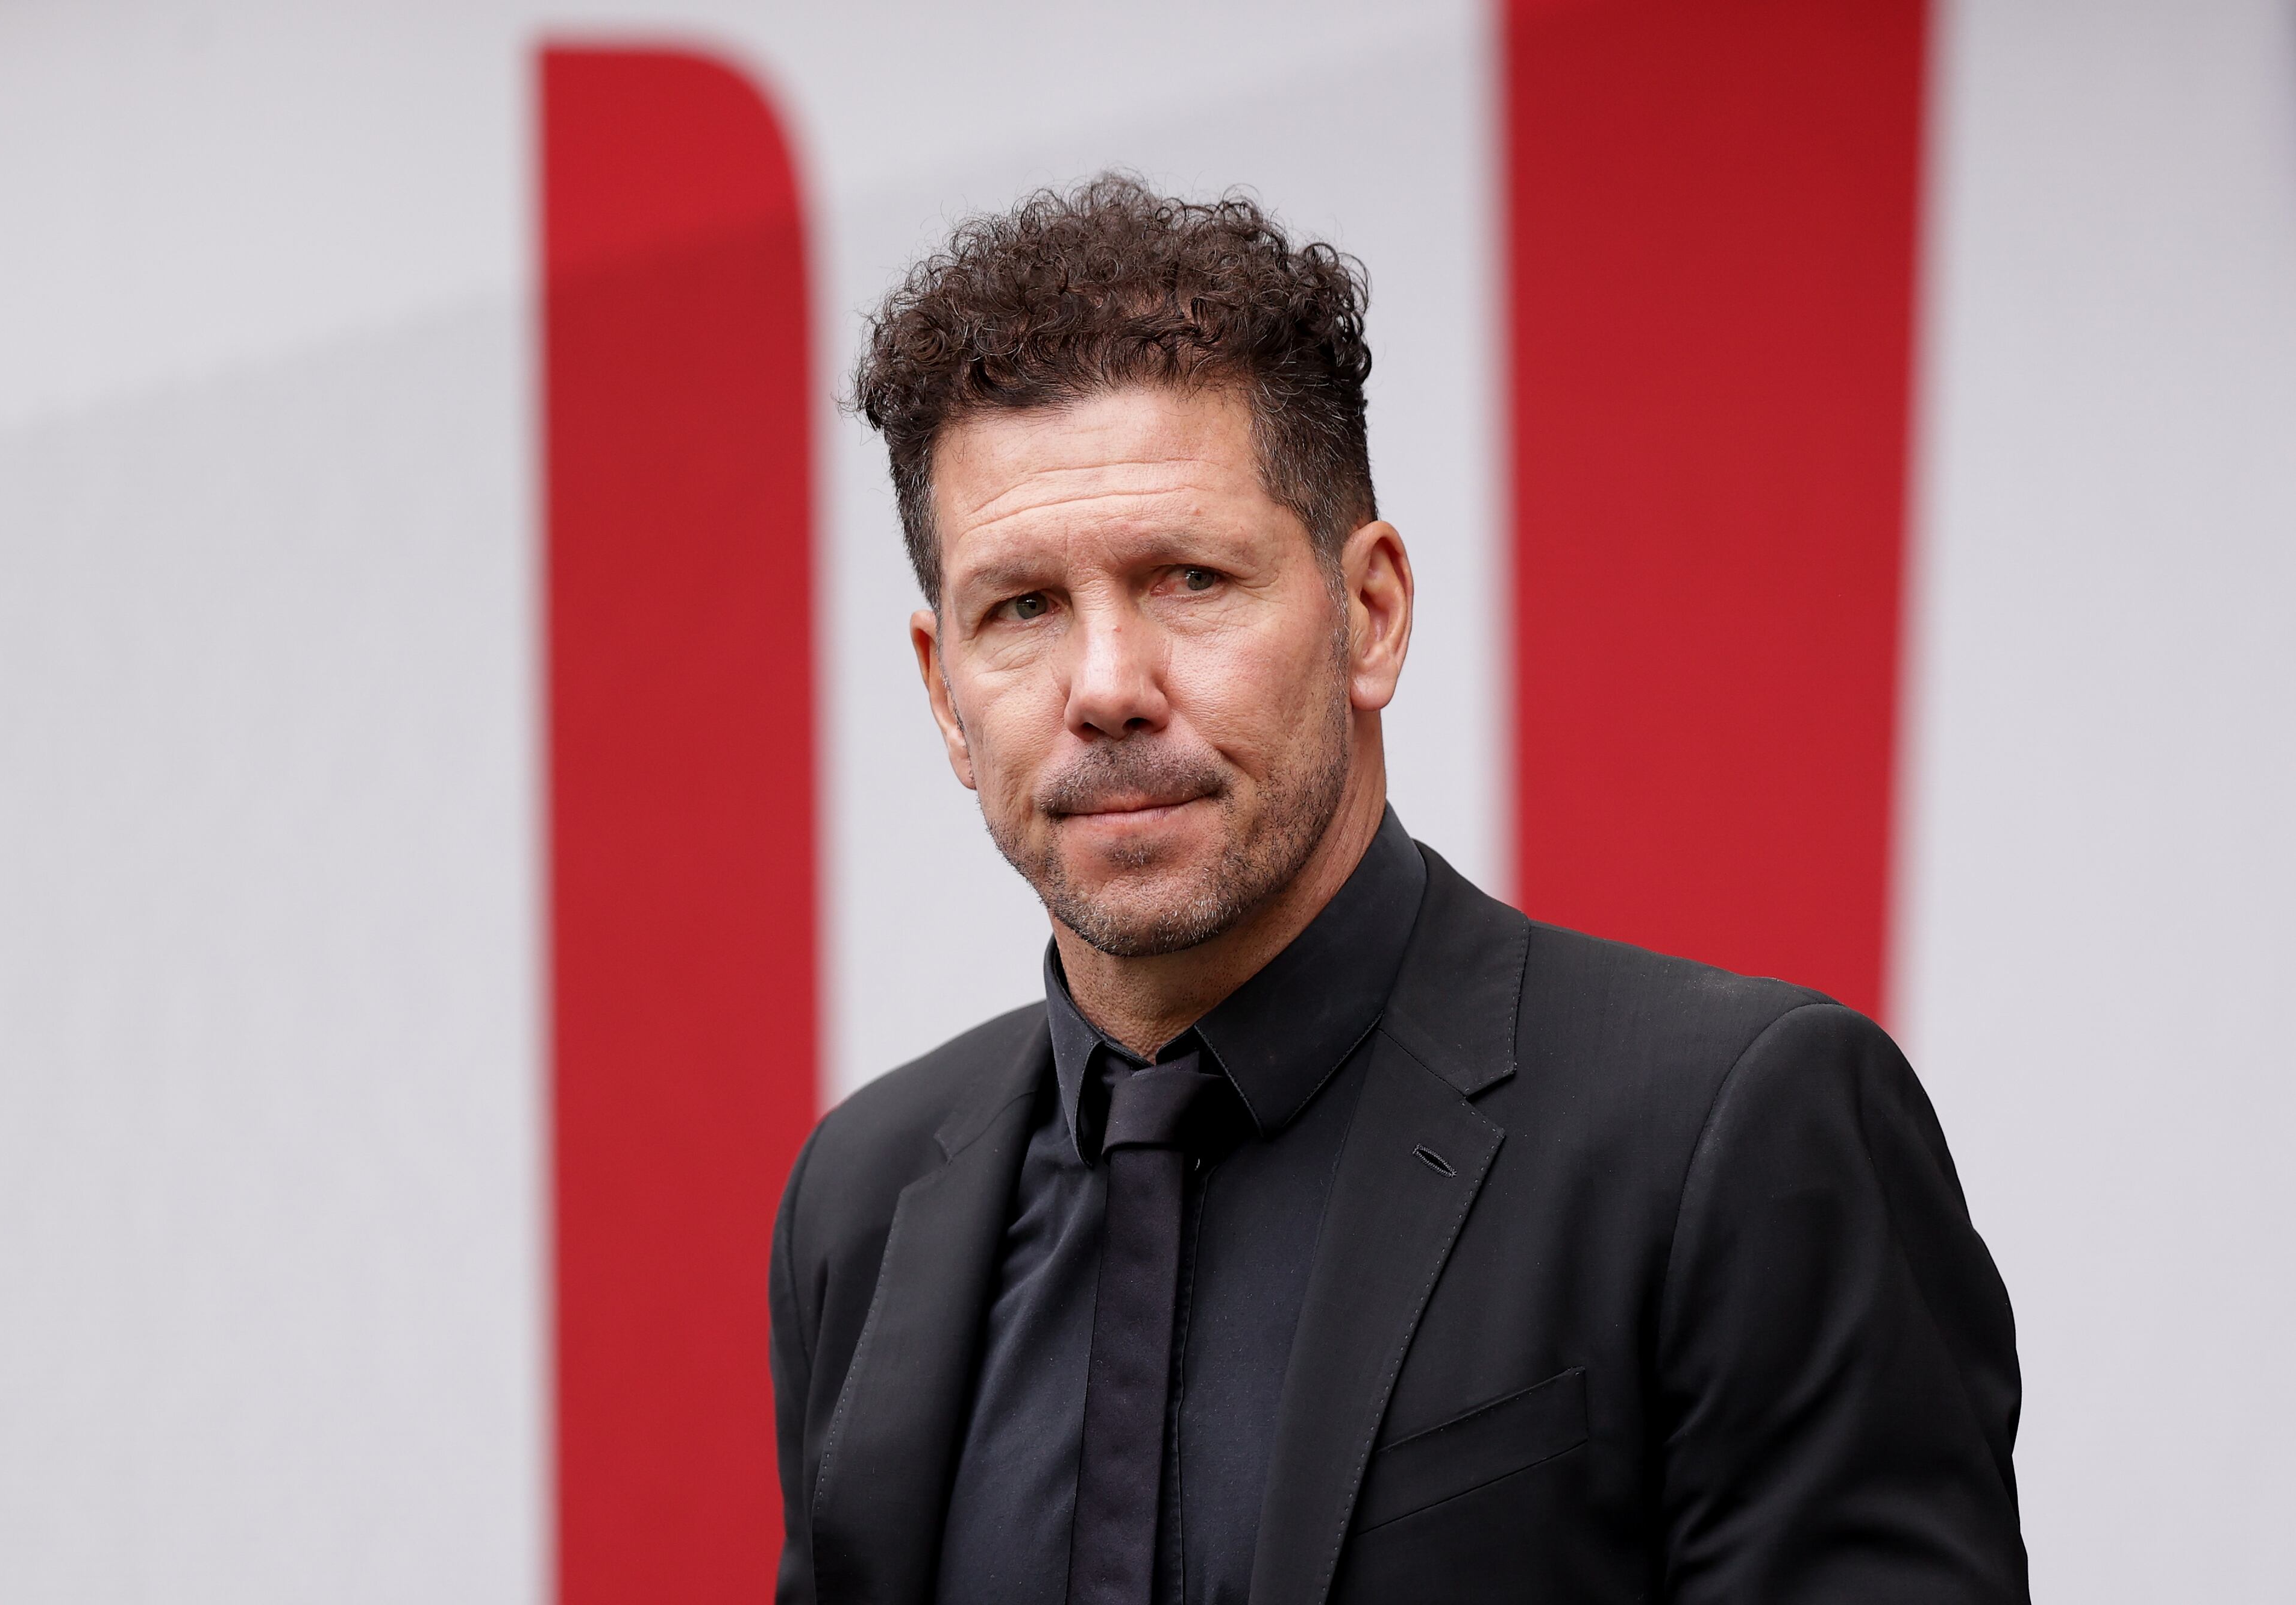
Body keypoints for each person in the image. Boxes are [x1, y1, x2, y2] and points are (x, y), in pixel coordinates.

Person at [770, 175, 2028, 1605]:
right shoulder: (862, 1210)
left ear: (1369, 615)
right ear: (944, 693)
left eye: (1190, 578)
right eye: (1025, 610)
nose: (1107, 686)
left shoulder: (1730, 1134)